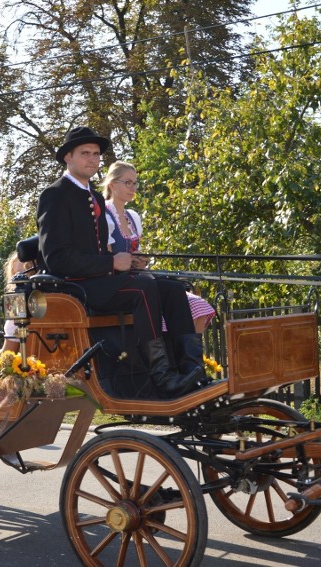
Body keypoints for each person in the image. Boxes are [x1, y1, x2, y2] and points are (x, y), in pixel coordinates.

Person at [36, 126, 210, 399]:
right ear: (68, 158)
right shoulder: (55, 195)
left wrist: (128, 263)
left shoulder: (92, 196)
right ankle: (162, 378)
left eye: (95, 154)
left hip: (103, 280)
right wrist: (111, 264)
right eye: (85, 153)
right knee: (144, 288)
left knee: (173, 289)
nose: (92, 159)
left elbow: (99, 251)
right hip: (78, 286)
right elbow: (56, 258)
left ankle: (192, 370)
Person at [102, 161, 216, 334]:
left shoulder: (132, 216)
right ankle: (174, 355)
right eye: (127, 182)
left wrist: (141, 261)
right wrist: (130, 262)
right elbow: (107, 258)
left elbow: (136, 255)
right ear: (112, 184)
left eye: (135, 183)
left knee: (196, 303)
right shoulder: (104, 215)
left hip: (141, 278)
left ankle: (190, 356)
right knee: (170, 296)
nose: (132, 187)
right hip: (121, 284)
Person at [0, 251, 35, 354]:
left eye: (22, 273)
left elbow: (8, 353)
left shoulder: (17, 303)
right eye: (15, 274)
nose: (18, 278)